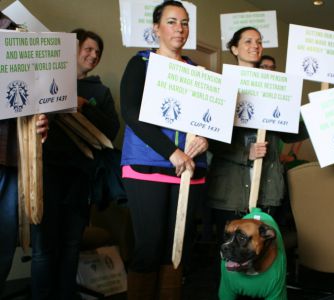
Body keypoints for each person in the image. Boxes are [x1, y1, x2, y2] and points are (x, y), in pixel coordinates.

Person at [120, 1, 208, 299]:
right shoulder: (141, 63)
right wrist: (172, 152)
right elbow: (131, 112)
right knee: (149, 246)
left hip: (190, 170)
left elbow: (213, 121)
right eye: (172, 22)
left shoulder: (198, 71)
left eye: (184, 23)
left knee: (178, 248)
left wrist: (207, 139)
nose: (179, 29)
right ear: (156, 28)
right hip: (147, 167)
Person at [31, 29, 119, 299]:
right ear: (71, 48)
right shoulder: (44, 79)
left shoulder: (100, 92)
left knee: (71, 244)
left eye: (97, 52)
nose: (93, 55)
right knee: (44, 248)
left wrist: (86, 106)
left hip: (81, 177)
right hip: (46, 172)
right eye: (88, 49)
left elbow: (112, 130)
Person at [207, 26, 308, 252]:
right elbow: (209, 137)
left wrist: (318, 118)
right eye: (248, 41)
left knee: (265, 252)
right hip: (231, 189)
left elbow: (289, 132)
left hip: (267, 185)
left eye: (259, 42)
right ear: (234, 48)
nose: (255, 46)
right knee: (231, 252)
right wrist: (246, 153)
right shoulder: (223, 85)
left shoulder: (274, 87)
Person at [0, 11, 49, 295]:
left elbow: (34, 94)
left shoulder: (19, 34)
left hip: (10, 158)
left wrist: (39, 121)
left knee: (5, 245)